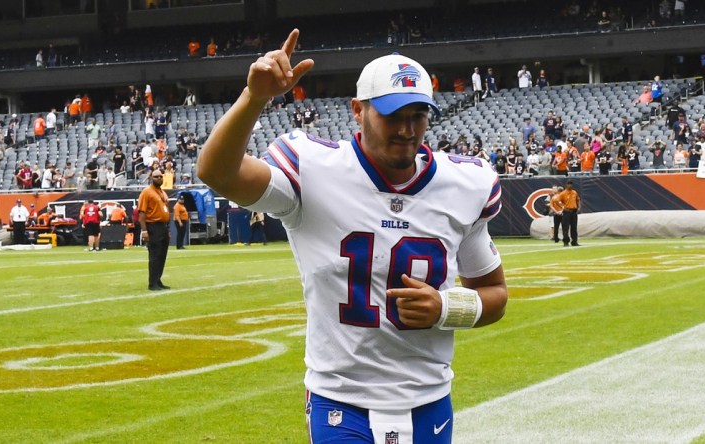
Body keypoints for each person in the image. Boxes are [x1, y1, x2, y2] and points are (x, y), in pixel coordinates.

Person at [196, 29, 507, 443]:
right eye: (393, 115)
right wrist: (254, 99)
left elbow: (495, 294)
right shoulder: (312, 167)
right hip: (340, 397)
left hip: (427, 396)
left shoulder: (466, 184)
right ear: (357, 111)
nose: (407, 129)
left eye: (417, 115)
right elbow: (217, 173)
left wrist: (445, 308)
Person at [138, 169, 171, 291]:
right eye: (156, 177)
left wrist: (167, 229)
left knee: (162, 255)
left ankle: (158, 279)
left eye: (161, 177)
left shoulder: (162, 192)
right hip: (153, 226)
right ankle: (152, 283)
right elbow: (142, 212)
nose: (159, 179)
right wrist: (144, 231)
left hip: (163, 226)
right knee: (155, 255)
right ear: (152, 178)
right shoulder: (147, 192)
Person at [557, 180, 581, 247]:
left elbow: (578, 200)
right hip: (566, 212)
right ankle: (566, 242)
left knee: (574, 227)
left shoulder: (574, 192)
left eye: (571, 184)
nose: (570, 185)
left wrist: (579, 207)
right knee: (565, 227)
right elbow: (558, 201)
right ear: (566, 185)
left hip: (574, 211)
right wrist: (562, 207)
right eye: (568, 184)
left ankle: (574, 241)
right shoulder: (563, 193)